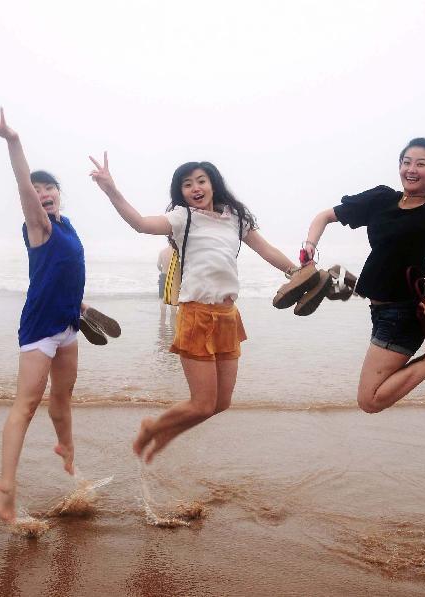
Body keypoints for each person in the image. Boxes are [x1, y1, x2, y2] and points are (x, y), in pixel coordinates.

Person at [89, 154, 301, 463]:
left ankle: (165, 433)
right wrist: (111, 189)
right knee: (202, 404)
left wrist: (297, 273)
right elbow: (140, 224)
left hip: (228, 316)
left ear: (213, 184)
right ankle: (153, 427)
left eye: (201, 181)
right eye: (187, 184)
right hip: (197, 314)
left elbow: (266, 249)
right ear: (181, 192)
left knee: (221, 403)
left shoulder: (235, 217)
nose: (195, 188)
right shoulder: (182, 217)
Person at [304, 138, 425, 414]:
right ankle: (324, 281)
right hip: (379, 307)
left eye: (421, 164)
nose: (411, 169)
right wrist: (310, 247)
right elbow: (324, 217)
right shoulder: (381, 199)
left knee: (370, 400)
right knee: (370, 396)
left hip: (404, 312)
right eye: (406, 162)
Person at [0, 107, 94, 522]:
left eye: (49, 188)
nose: (43, 193)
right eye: (37, 189)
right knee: (26, 404)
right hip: (39, 329)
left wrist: (80, 304)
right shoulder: (38, 226)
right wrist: (14, 142)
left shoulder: (67, 225)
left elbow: (65, 272)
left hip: (67, 324)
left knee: (63, 398)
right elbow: (23, 185)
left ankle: (65, 447)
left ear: (59, 194)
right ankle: (6, 485)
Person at [157, 243, 175, 325]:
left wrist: (162, 269)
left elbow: (158, 265)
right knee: (173, 299)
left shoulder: (162, 252)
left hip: (164, 275)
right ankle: (173, 319)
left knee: (162, 298)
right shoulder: (176, 252)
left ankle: (163, 318)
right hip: (174, 276)